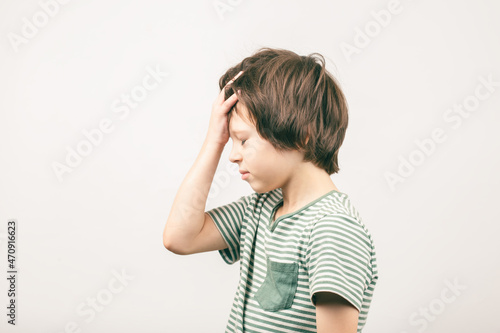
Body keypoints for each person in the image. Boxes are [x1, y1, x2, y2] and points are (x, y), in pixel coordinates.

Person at [163, 47, 379, 333]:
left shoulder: (333, 229)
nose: (232, 155)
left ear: (301, 135)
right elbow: (180, 237)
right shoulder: (259, 208)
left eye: (242, 140)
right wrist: (214, 140)